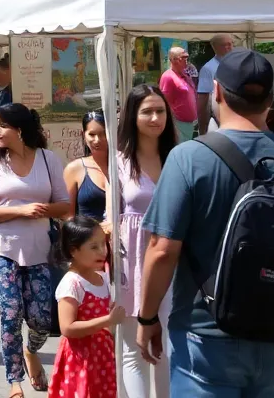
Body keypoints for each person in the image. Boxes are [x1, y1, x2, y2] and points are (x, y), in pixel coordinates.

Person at [139, 48, 274, 396]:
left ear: (216, 91)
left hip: (205, 336)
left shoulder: (188, 158)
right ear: (270, 99)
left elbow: (162, 251)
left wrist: (147, 319)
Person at [0, 103, 70, 396]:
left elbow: (65, 205)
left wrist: (40, 210)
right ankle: (13, 380)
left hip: (39, 250)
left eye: (2, 126)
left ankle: (31, 351)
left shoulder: (48, 159)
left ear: (20, 130)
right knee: (11, 311)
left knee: (41, 319)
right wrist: (19, 211)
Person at [115, 85, 177, 398]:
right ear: (132, 116)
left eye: (160, 111)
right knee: (133, 347)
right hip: (132, 259)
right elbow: (110, 217)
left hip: (172, 256)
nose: (155, 118)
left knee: (167, 345)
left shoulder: (179, 157)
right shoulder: (120, 161)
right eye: (147, 111)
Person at [48, 216, 121, 398]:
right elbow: (67, 327)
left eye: (103, 245)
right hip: (81, 359)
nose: (102, 252)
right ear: (74, 250)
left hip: (103, 356)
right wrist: (108, 320)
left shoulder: (104, 278)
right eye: (93, 247)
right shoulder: (72, 284)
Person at [64, 110, 110, 222]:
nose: (97, 140)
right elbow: (67, 216)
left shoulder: (125, 166)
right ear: (83, 135)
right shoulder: (74, 169)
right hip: (87, 238)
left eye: (103, 134)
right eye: (92, 134)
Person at [195, 33, 236, 134]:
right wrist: (202, 128)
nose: (227, 47)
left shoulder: (238, 64)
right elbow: (203, 98)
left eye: (229, 44)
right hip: (219, 120)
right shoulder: (208, 68)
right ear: (215, 48)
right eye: (223, 45)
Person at [158, 46, 198, 142]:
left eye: (186, 58)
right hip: (178, 124)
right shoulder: (168, 77)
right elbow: (163, 101)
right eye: (183, 58)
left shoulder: (184, 75)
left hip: (189, 124)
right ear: (174, 60)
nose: (186, 61)